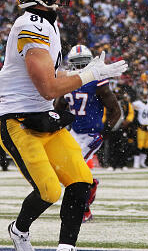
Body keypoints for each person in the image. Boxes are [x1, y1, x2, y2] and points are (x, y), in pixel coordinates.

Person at [0, 0, 127, 251]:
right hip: (16, 119)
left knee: (81, 180)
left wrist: (88, 72)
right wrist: (89, 76)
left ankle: (66, 248)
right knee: (48, 190)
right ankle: (19, 230)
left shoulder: (47, 24)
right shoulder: (30, 25)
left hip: (44, 117)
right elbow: (48, 87)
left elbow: (54, 80)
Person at [54, 44, 123, 223]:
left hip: (92, 133)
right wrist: (60, 121)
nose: (79, 67)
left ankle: (83, 209)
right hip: (75, 132)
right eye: (76, 63)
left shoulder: (96, 82)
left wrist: (104, 131)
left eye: (83, 63)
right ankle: (90, 185)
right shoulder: (68, 81)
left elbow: (115, 110)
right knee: (66, 170)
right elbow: (59, 106)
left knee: (75, 170)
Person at [132, 90, 148, 168]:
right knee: (139, 145)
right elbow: (135, 117)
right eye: (143, 95)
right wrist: (139, 125)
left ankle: (142, 162)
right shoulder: (136, 104)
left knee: (146, 145)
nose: (145, 96)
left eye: (146, 95)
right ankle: (136, 163)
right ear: (140, 95)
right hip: (141, 127)